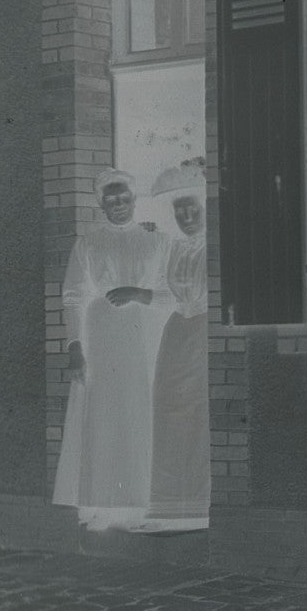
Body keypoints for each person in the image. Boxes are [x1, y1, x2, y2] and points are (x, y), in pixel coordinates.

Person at [52, 168, 171, 532]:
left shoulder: (158, 241)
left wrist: (138, 293)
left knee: (137, 416)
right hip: (100, 337)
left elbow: (172, 290)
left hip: (142, 336)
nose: (118, 204)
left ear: (135, 200)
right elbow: (73, 297)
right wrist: (76, 349)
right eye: (111, 198)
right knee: (102, 418)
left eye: (124, 197)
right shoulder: (87, 243)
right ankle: (100, 505)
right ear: (99, 203)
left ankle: (137, 506)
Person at [142, 164, 212, 531]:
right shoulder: (172, 248)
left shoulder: (216, 247)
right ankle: (168, 503)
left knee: (199, 409)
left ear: (204, 210)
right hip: (177, 330)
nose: (186, 217)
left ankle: (198, 504)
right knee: (167, 403)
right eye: (180, 211)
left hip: (204, 328)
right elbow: (166, 293)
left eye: (193, 210)